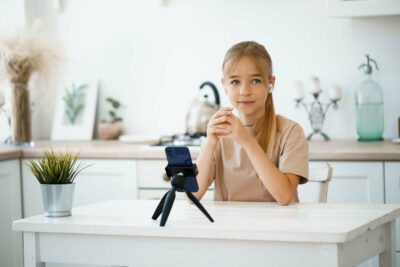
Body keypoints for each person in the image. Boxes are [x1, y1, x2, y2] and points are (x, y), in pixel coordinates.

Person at [193, 41, 308, 205]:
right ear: (224, 85)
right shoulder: (220, 133)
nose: (244, 91)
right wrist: (210, 142)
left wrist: (245, 139)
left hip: (279, 228)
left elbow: (285, 196)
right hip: (229, 227)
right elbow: (193, 195)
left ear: (271, 83)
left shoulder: (290, 132)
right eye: (235, 82)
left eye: (255, 81)